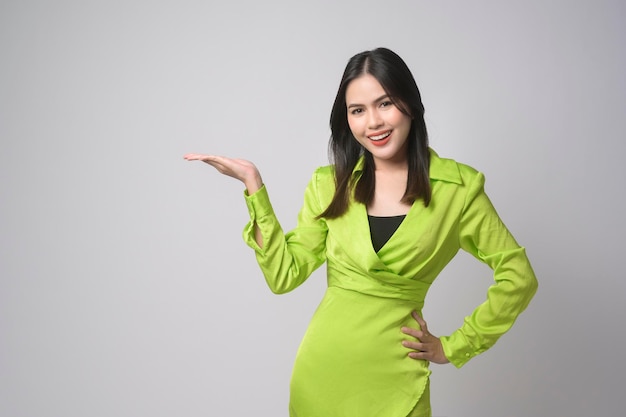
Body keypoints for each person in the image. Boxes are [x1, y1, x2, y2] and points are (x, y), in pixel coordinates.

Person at [184, 47, 538, 417]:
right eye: (358, 110)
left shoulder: (458, 189)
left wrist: (454, 346)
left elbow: (519, 276)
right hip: (322, 376)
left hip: (399, 380)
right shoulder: (329, 185)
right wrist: (254, 187)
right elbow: (283, 275)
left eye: (384, 103)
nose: (373, 123)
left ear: (410, 105)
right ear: (346, 119)